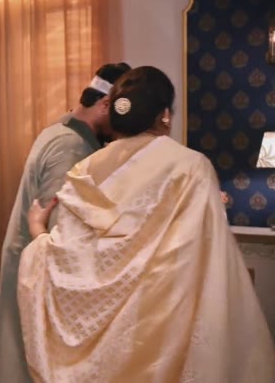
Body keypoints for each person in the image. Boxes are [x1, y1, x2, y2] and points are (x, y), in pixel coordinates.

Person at [19, 66, 274, 382]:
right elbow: (208, 261)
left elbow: (68, 263)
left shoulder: (85, 171)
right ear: (164, 115)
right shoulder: (190, 167)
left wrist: (38, 231)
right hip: (162, 327)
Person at [0, 62, 132, 383]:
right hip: (39, 269)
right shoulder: (70, 146)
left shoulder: (62, 130)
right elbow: (59, 229)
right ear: (106, 104)